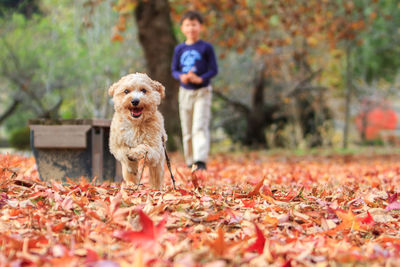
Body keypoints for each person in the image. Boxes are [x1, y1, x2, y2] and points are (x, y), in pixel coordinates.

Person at [171, 10, 218, 171]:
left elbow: (213, 69)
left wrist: (201, 78)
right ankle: (190, 160)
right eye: (187, 25)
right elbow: (174, 70)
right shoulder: (179, 49)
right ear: (182, 28)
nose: (191, 28)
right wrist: (181, 77)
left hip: (202, 92)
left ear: (200, 27)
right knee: (187, 128)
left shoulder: (206, 47)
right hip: (185, 92)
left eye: (194, 25)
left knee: (199, 125)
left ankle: (200, 160)